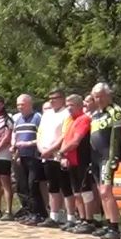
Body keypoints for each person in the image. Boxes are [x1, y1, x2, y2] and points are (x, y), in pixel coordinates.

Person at [89, 83, 121, 239]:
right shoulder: (96, 114)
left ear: (108, 95)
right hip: (95, 158)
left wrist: (114, 158)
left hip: (107, 157)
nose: (99, 99)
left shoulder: (115, 111)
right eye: (96, 97)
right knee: (101, 192)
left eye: (101, 96)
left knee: (106, 191)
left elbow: (117, 137)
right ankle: (108, 223)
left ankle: (114, 227)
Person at [59, 94, 94, 232]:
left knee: (85, 192)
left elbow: (75, 141)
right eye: (67, 105)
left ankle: (89, 221)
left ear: (80, 105)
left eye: (71, 105)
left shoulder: (84, 119)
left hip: (83, 160)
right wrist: (64, 156)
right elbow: (66, 139)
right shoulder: (70, 120)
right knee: (76, 193)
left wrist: (61, 152)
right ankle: (82, 219)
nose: (69, 108)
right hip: (72, 161)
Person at [38, 89, 71, 228]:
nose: (52, 101)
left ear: (62, 98)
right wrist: (42, 149)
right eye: (50, 98)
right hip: (46, 156)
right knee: (52, 186)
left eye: (55, 98)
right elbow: (40, 133)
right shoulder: (47, 114)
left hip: (60, 155)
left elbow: (64, 135)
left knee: (66, 187)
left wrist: (51, 150)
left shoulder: (67, 113)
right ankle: (54, 216)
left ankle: (70, 217)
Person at [13, 94, 45, 225]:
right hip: (22, 157)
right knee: (24, 186)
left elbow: (42, 137)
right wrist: (15, 150)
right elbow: (15, 136)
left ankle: (39, 213)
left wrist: (28, 143)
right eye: (18, 105)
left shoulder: (37, 118)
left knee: (33, 185)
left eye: (22, 104)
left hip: (34, 156)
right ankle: (29, 212)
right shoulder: (18, 119)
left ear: (30, 104)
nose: (20, 107)